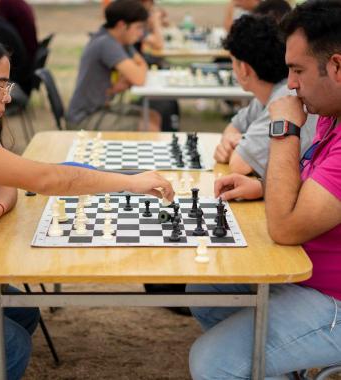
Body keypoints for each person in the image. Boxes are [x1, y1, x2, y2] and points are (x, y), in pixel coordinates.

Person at [0, 30, 174, 379]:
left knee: (23, 314)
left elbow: (6, 179)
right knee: (7, 346)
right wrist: (131, 183)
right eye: (0, 85)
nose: (8, 97)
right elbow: (49, 180)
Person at [187, 1, 341, 378]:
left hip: (333, 297)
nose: (289, 84)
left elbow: (285, 229)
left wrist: (284, 129)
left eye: (297, 70)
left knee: (213, 362)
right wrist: (262, 187)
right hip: (304, 274)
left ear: (336, 67)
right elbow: (318, 191)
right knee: (206, 291)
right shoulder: (331, 116)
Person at [214, 14, 316, 178]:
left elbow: (239, 165)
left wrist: (240, 145)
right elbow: (232, 130)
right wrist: (236, 142)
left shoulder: (285, 98)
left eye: (232, 61)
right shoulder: (265, 96)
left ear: (244, 69)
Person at [66, 0, 161, 132]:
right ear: (122, 25)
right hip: (84, 117)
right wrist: (137, 70)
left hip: (101, 107)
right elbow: (140, 78)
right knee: (150, 126)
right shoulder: (106, 44)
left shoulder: (121, 40)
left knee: (153, 116)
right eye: (139, 27)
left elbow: (141, 67)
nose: (141, 34)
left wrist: (136, 71)